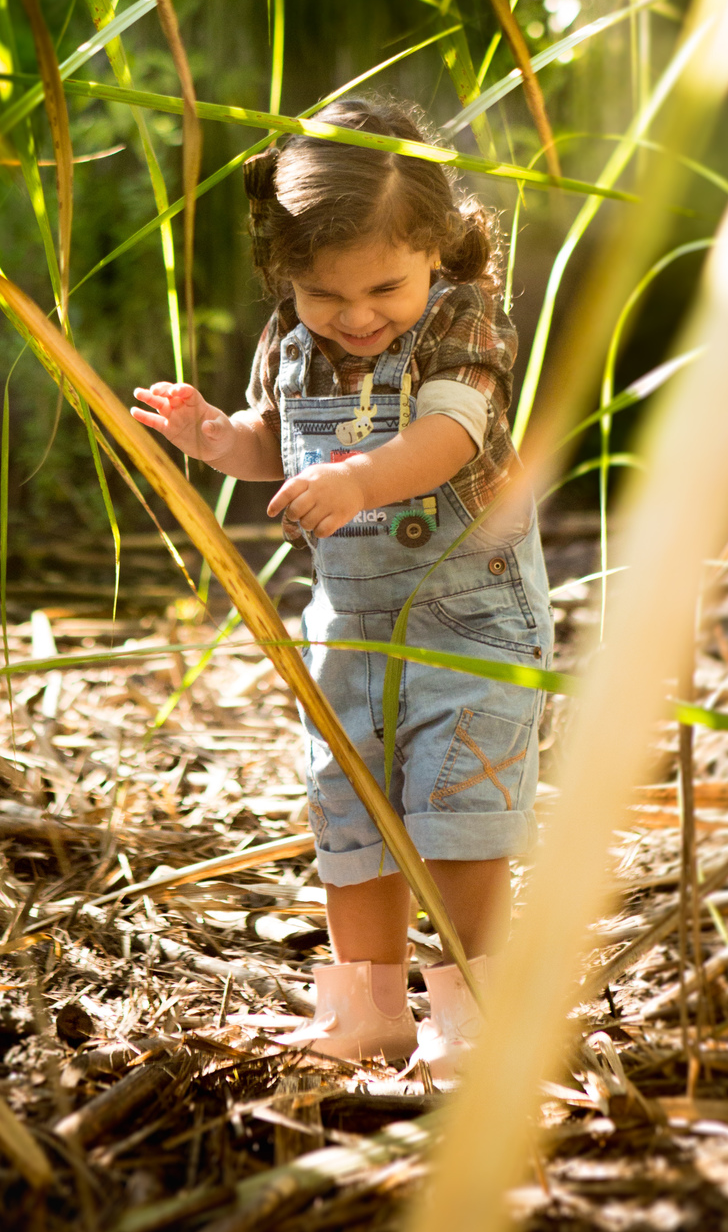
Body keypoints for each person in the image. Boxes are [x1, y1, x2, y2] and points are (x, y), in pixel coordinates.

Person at [130, 95, 553, 1074]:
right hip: (349, 625)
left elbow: (450, 436)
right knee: (350, 814)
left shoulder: (460, 322)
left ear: (437, 251)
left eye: (384, 290)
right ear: (289, 277)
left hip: (468, 617)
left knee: (456, 821)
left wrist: (360, 478)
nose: (357, 317)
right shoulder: (292, 337)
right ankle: (366, 1009)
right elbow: (272, 445)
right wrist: (210, 438)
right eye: (328, 296)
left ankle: (471, 1018)